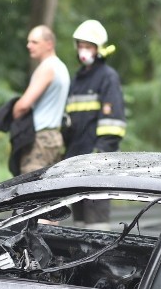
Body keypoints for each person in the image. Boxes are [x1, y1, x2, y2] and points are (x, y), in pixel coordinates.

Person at [64, 20, 126, 229]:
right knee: (79, 224)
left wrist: (99, 156)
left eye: (88, 47)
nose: (83, 51)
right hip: (75, 162)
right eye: (81, 46)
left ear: (98, 49)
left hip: (97, 164)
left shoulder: (108, 77)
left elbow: (114, 124)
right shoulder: (77, 80)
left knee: (97, 227)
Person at [12, 25, 69, 174]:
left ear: (49, 44)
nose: (28, 45)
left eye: (34, 42)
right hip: (54, 138)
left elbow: (23, 106)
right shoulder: (61, 68)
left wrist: (12, 113)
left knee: (30, 191)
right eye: (28, 41)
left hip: (40, 141)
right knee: (48, 192)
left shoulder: (47, 68)